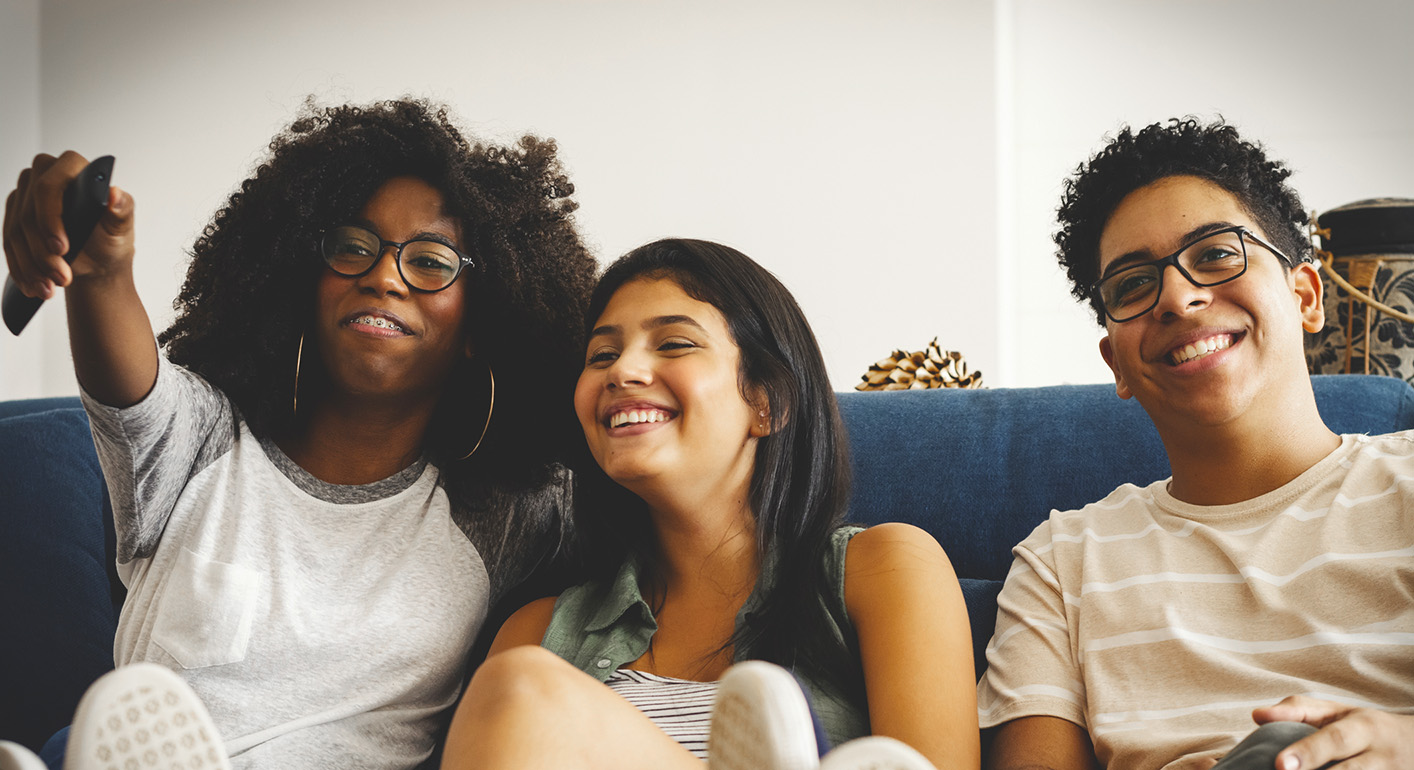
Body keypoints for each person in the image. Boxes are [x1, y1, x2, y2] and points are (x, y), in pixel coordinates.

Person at [0, 98, 597, 769]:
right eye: (353, 248)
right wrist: (98, 260)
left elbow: (659, 516)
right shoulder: (198, 445)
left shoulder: (503, 512)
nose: (381, 276)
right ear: (304, 283)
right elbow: (122, 359)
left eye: (430, 261)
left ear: (480, 325)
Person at [439, 238, 981, 770]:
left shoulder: (884, 569)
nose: (622, 371)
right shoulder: (537, 633)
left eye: (674, 344)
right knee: (518, 689)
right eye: (602, 354)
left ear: (768, 402)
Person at [976, 118, 1414, 770]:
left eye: (1214, 253)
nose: (1177, 298)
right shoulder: (1061, 565)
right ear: (1115, 365)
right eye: (1132, 285)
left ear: (1306, 296)